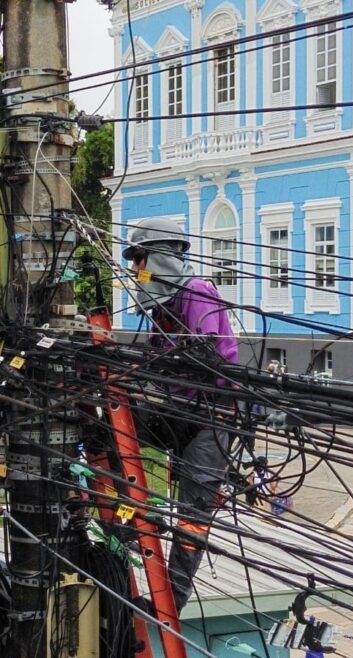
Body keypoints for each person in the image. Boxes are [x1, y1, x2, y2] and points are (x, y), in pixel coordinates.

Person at [121, 216, 238, 613]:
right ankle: (127, 515)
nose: (136, 271)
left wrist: (154, 368)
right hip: (174, 411)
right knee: (110, 421)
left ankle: (172, 599)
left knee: (191, 517)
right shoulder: (162, 305)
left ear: (160, 257)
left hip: (210, 420)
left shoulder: (196, 291)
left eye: (139, 261)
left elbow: (206, 354)